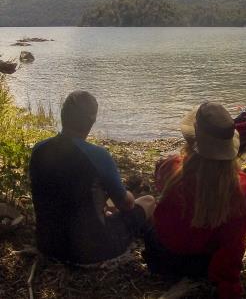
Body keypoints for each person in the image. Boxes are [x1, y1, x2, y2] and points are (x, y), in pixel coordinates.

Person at [144, 102, 246, 299]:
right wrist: (228, 287)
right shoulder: (242, 189)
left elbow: (160, 188)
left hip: (161, 258)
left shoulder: (171, 169)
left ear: (193, 138)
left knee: (149, 207)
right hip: (203, 265)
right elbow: (233, 246)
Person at [29, 90, 156, 264]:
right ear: (91, 121)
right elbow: (126, 204)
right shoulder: (98, 155)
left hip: (47, 244)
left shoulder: (39, 150)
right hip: (91, 250)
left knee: (105, 206)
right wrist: (130, 197)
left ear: (63, 115)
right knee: (148, 201)